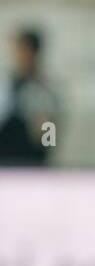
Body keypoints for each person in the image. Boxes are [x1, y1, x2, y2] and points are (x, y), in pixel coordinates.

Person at [0, 28, 61, 167]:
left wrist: (44, 143)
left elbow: (49, 139)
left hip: (29, 163)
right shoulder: (7, 86)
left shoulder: (44, 91)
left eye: (23, 50)